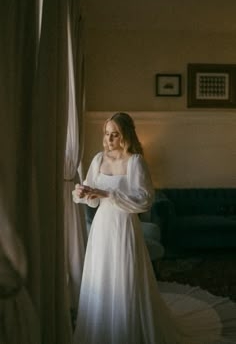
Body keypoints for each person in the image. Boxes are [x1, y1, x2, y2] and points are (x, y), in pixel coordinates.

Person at [72, 112, 236, 344]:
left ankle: (128, 330)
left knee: (124, 276)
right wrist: (83, 193)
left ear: (126, 135)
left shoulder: (135, 162)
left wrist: (108, 193)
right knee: (101, 275)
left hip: (123, 226)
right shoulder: (98, 159)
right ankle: (102, 330)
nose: (109, 140)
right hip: (102, 226)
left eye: (114, 134)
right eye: (106, 134)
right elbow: (92, 196)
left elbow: (144, 199)